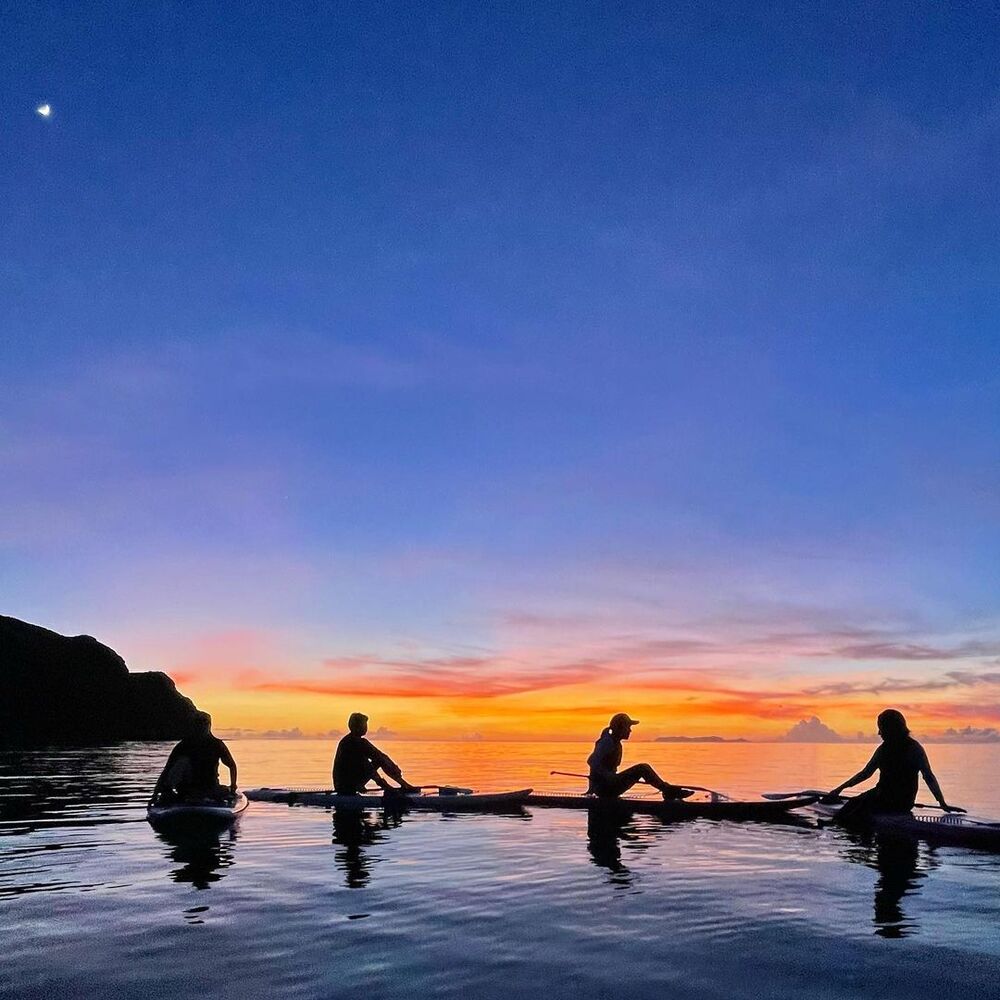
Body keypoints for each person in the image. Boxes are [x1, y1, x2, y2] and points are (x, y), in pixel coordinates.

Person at [826, 709, 963, 824]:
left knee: (844, 815)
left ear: (891, 728)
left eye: (881, 728)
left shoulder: (893, 749)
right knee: (856, 805)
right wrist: (941, 802)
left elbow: (865, 773)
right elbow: (929, 777)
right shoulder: (914, 748)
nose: (879, 733)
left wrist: (838, 790)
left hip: (886, 800)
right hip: (904, 803)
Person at [587, 713, 692, 800]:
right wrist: (597, 785)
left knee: (643, 768)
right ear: (620, 727)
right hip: (605, 788)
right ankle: (668, 791)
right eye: (628, 727)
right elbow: (592, 761)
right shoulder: (607, 742)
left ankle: (667, 790)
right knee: (643, 768)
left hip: (607, 788)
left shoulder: (615, 742)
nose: (630, 730)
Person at [152, 712, 237, 803]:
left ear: (209, 725)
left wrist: (232, 787)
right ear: (193, 725)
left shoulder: (216, 744)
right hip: (187, 790)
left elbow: (232, 766)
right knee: (182, 761)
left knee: (224, 790)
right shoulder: (183, 745)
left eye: (203, 723)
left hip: (210, 788)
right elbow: (167, 769)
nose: (200, 726)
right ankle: (168, 792)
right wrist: (155, 794)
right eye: (198, 723)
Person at [333, 713, 418, 795]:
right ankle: (388, 786)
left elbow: (380, 756)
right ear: (357, 727)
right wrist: (384, 785)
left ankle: (404, 784)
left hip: (355, 778)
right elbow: (365, 765)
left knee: (380, 758)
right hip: (344, 785)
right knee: (371, 762)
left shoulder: (361, 742)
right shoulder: (349, 743)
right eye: (364, 725)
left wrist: (394, 769)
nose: (366, 728)